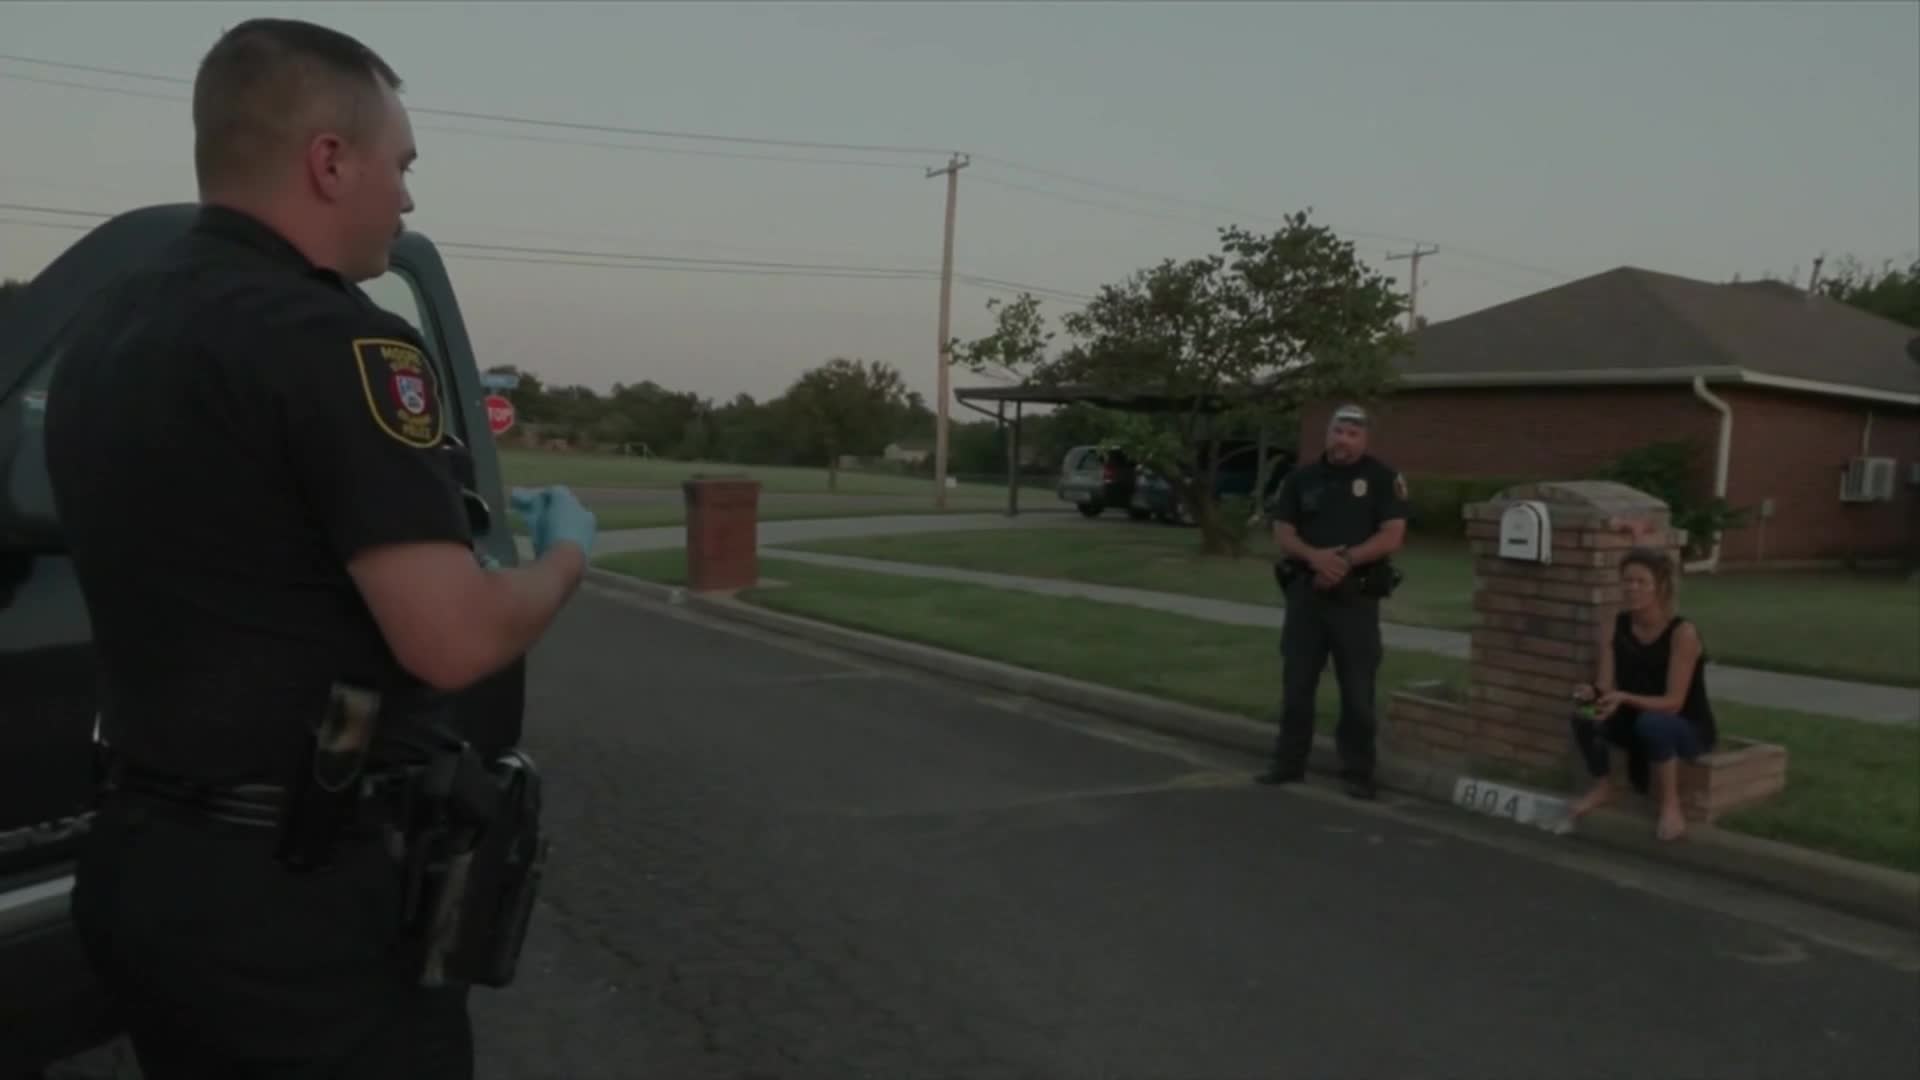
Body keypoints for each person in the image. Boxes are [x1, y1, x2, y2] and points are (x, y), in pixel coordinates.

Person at [42, 18, 594, 1078]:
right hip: (297, 908)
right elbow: (450, 639)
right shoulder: (340, 340)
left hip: (145, 869)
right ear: (329, 161)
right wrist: (565, 560)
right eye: (402, 165)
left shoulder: (109, 330)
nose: (409, 199)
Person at [1258, 404, 1408, 799]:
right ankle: (1288, 762)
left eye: (1353, 434)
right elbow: (1283, 531)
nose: (1344, 440)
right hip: (1306, 595)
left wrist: (1343, 560)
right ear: (1327, 434)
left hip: (1356, 599)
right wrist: (1315, 558)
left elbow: (1392, 535)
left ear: (1365, 439)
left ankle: (1358, 772)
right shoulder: (1301, 478)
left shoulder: (1382, 478)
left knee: (1358, 690)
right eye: (1338, 431)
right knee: (1297, 684)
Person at [1567, 547, 1718, 841]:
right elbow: (1605, 686)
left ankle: (1670, 805)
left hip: (1684, 726)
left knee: (1654, 723)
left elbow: (1674, 703)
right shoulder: (1615, 624)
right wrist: (1591, 694)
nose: (1632, 588)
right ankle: (1603, 786)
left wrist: (1624, 698)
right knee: (1583, 715)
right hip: (1633, 716)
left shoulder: (1682, 633)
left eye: (1641, 582)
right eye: (1627, 581)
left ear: (1659, 587)